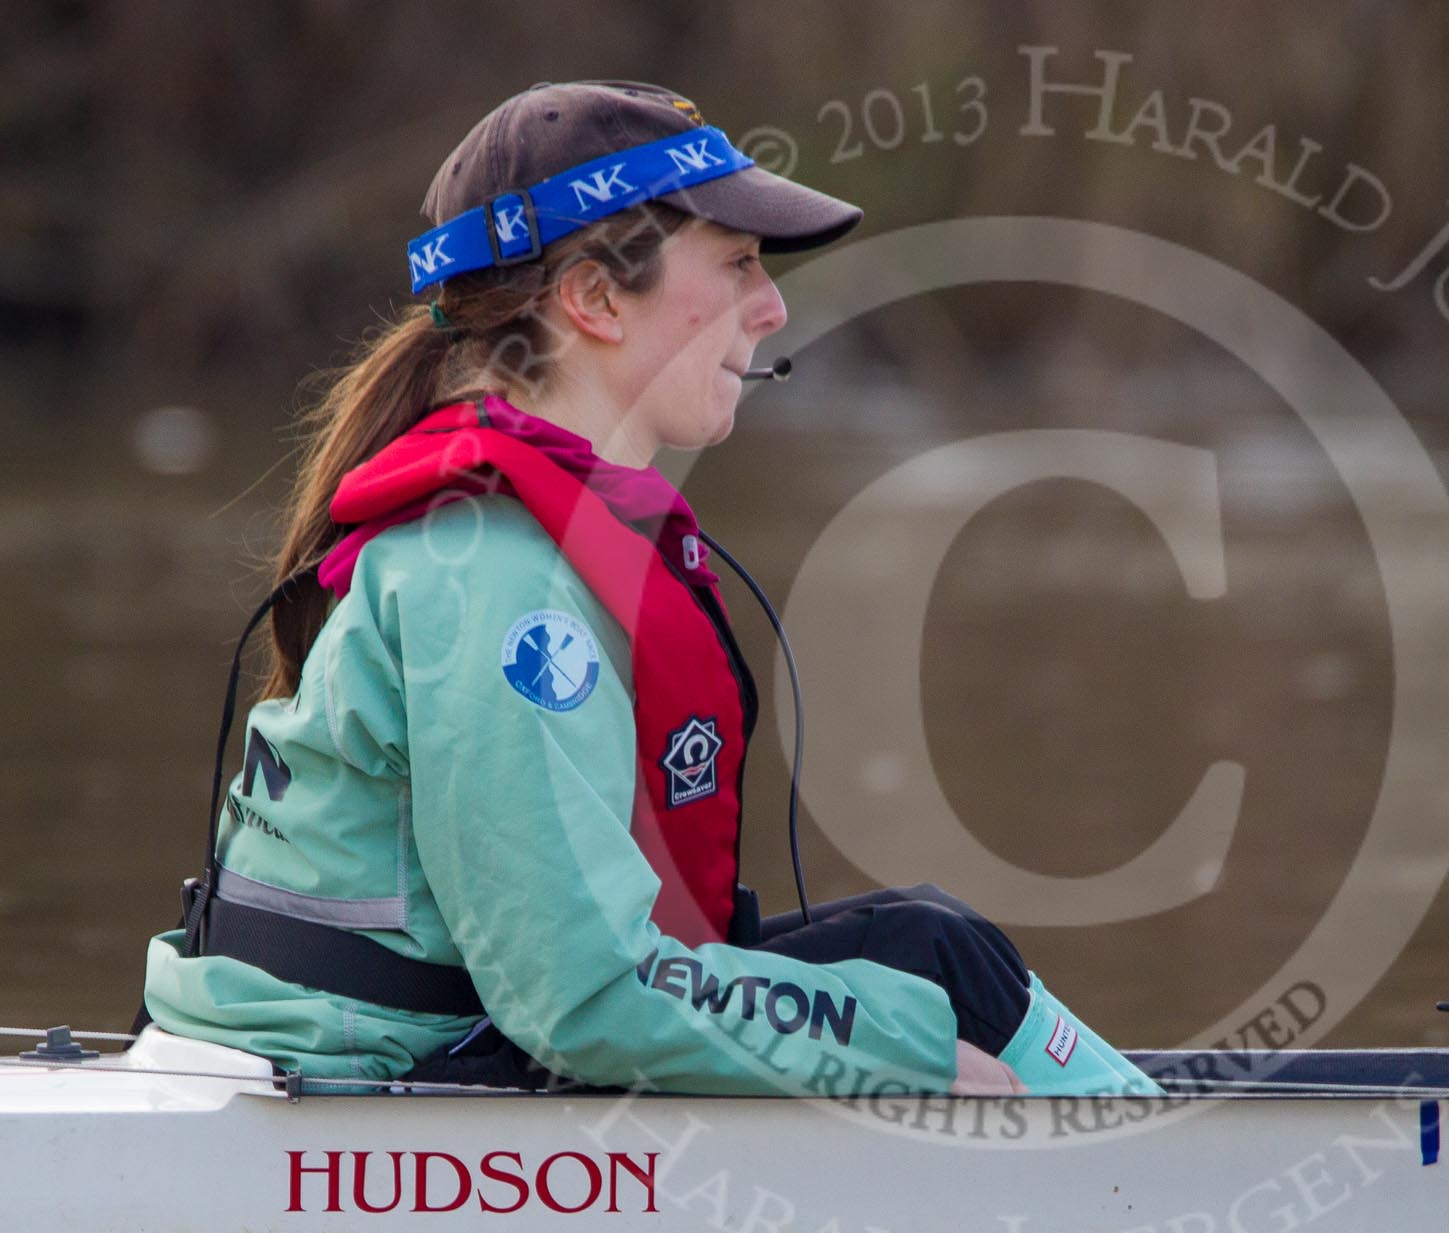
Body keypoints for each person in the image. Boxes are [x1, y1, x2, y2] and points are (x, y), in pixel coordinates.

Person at [139, 80, 1160, 1099]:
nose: (773, 305)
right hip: (366, 1075)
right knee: (940, 999)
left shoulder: (516, 540)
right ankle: (1158, 1163)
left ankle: (1149, 1132)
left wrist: (910, 1030)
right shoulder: (501, 579)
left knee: (934, 955)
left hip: (410, 1037)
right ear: (592, 300)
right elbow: (582, 995)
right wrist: (916, 1058)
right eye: (738, 264)